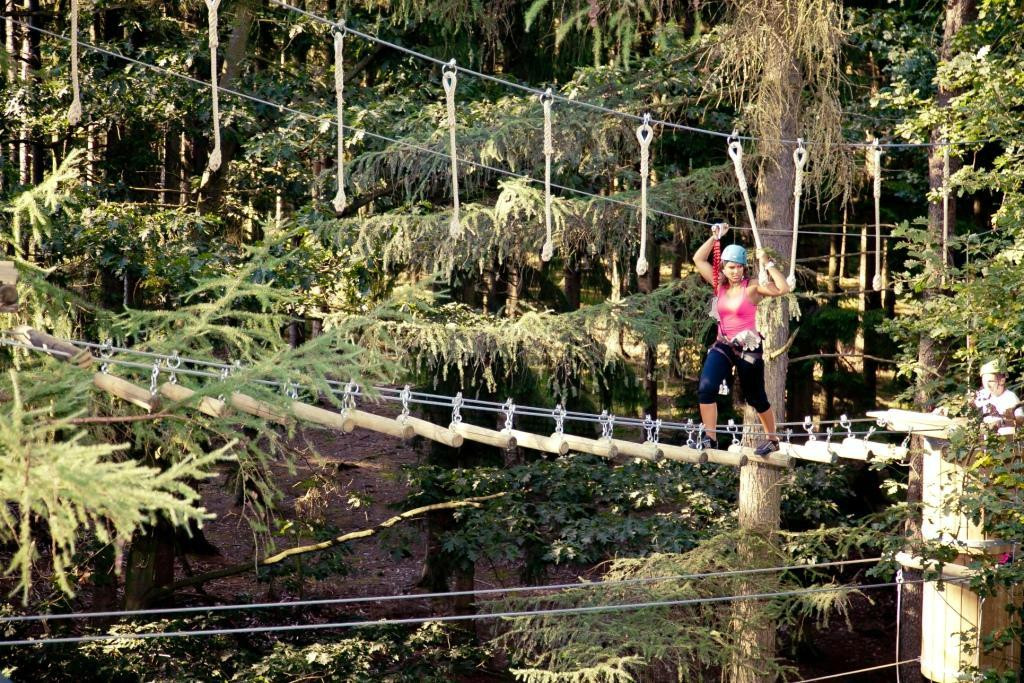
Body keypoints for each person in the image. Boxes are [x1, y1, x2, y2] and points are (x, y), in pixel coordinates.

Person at [692, 224, 790, 454]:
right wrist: (715, 238)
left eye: (739, 267)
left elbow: (783, 289)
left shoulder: (752, 288)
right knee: (706, 389)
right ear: (723, 268)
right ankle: (710, 438)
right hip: (724, 344)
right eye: (731, 267)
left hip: (749, 347)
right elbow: (698, 259)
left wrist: (768, 263)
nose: (735, 271)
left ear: (745, 268)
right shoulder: (719, 286)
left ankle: (772, 439)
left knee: (755, 397)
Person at [974, 359, 1024, 432]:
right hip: (987, 439)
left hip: (1007, 439)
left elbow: (1021, 420)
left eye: (991, 381)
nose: (987, 385)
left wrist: (1000, 423)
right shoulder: (984, 395)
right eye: (984, 381)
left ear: (1002, 381)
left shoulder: (1010, 397)